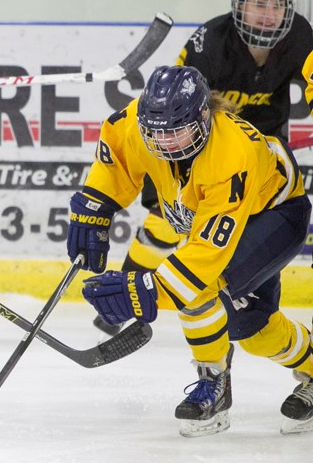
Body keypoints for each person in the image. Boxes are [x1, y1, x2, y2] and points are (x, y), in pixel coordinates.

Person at [70, 65, 313, 437]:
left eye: (177, 132)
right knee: (255, 331)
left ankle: (212, 383)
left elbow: (203, 257)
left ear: (204, 118)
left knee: (199, 285)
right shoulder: (141, 122)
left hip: (275, 215)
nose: (165, 143)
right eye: (157, 133)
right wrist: (95, 206)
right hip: (224, 220)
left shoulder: (231, 154)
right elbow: (116, 152)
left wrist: (142, 292)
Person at [94, 0, 313, 337]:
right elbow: (174, 113)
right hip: (202, 149)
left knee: (227, 259)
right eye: (258, 3)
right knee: (164, 221)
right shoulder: (208, 43)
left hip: (260, 158)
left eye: (276, 5)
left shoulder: (301, 37)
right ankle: (131, 288)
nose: (267, 14)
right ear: (239, 2)